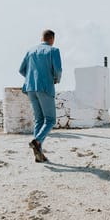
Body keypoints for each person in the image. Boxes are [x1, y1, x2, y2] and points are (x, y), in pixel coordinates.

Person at [19, 29, 62, 162]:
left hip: (30, 88)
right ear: (52, 39)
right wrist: (56, 79)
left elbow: (21, 69)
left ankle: (39, 154)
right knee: (50, 120)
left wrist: (32, 78)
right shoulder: (53, 51)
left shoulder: (30, 51)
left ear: (41, 38)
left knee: (39, 120)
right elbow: (58, 70)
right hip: (45, 87)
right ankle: (37, 142)